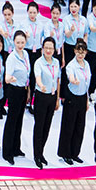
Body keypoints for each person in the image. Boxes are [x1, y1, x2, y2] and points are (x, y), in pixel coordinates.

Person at [58, 39, 90, 165]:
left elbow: (87, 84)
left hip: (82, 97)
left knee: (79, 127)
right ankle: (65, 153)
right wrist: (73, 80)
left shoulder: (86, 65)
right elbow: (70, 76)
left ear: (86, 52)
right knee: (68, 126)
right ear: (74, 51)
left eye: (83, 52)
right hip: (72, 97)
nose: (80, 54)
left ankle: (75, 152)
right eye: (78, 51)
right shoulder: (71, 66)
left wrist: (87, 100)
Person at [32, 37, 61, 169]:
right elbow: (37, 77)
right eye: (46, 48)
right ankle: (36, 155)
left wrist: (57, 98)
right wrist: (41, 85)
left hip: (52, 97)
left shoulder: (56, 62)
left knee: (47, 126)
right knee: (39, 126)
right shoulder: (39, 63)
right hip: (41, 96)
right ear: (42, 48)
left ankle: (41, 152)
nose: (48, 50)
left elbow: (58, 80)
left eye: (51, 48)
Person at [2, 31, 30, 165]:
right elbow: (7, 77)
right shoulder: (12, 58)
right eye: (18, 42)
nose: (20, 45)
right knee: (12, 121)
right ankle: (7, 152)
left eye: (22, 42)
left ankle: (16, 148)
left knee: (19, 120)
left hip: (23, 90)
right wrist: (10, 78)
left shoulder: (26, 54)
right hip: (14, 91)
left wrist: (28, 90)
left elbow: (27, 74)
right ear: (13, 42)